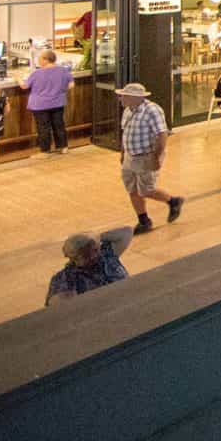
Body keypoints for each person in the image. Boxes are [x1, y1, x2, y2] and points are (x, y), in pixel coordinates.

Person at [116, 83, 182, 234]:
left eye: (124, 96)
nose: (121, 99)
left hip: (146, 156)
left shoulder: (152, 110)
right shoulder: (127, 111)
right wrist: (123, 153)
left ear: (135, 97)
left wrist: (156, 157)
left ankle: (173, 201)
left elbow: (162, 134)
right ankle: (143, 220)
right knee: (132, 189)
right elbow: (126, 133)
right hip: (130, 156)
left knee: (146, 190)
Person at [45, 227, 133, 306]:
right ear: (73, 258)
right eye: (85, 256)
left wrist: (96, 238)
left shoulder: (105, 254)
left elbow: (127, 232)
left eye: (95, 250)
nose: (93, 256)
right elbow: (55, 305)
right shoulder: (65, 278)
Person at [25, 48, 72, 154]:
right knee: (59, 125)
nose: (38, 60)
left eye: (40, 58)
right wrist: (61, 90)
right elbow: (71, 84)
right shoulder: (63, 70)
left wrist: (17, 78)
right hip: (58, 102)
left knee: (43, 127)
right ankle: (63, 147)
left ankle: (45, 150)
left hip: (40, 105)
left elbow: (25, 86)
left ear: (46, 59)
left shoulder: (36, 73)